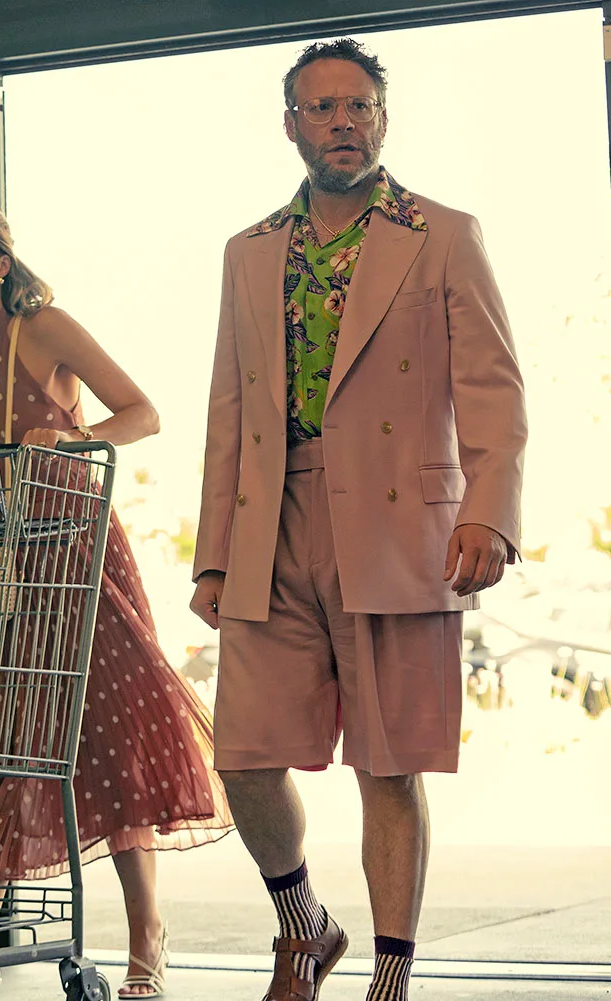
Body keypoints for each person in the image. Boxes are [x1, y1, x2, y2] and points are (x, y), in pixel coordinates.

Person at [189, 38, 527, 1001]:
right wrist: (215, 554)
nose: (342, 121)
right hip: (272, 523)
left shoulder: (444, 233)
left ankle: (391, 977)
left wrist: (490, 512)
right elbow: (229, 408)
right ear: (290, 124)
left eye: (359, 105)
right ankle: (305, 923)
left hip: (398, 523)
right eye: (322, 107)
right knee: (245, 756)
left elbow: (495, 390)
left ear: (384, 118)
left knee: (389, 764)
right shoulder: (247, 250)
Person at [0, 197, 233, 1001]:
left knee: (110, 743)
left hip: (80, 557)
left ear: (3, 259)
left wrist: (74, 435)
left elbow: (144, 411)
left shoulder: (49, 328)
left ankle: (148, 945)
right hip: (5, 566)